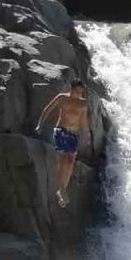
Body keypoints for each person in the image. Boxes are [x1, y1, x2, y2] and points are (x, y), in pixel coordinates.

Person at [34, 79, 90, 208]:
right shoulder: (62, 98)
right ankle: (61, 188)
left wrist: (86, 135)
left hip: (74, 133)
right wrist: (40, 125)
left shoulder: (83, 103)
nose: (79, 93)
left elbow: (83, 121)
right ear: (71, 88)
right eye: (77, 91)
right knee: (62, 160)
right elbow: (48, 109)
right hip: (61, 130)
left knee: (70, 161)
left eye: (81, 91)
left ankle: (62, 189)